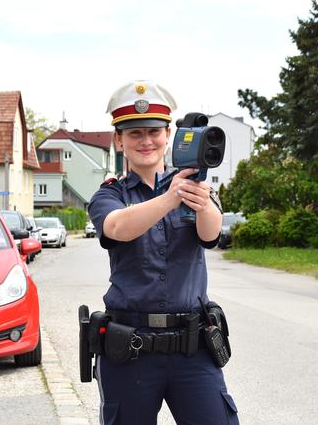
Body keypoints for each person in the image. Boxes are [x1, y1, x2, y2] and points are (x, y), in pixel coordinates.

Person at [88, 80, 239, 424]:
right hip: (131, 350)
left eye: (154, 132)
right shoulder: (110, 195)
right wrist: (170, 197)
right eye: (135, 133)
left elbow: (210, 233)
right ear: (119, 141)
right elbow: (117, 228)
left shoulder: (193, 185)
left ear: (168, 134)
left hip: (193, 348)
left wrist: (202, 203)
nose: (146, 141)